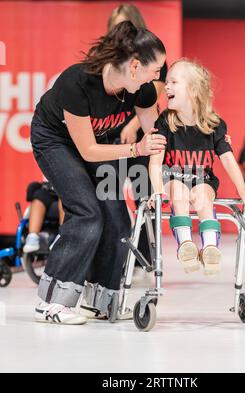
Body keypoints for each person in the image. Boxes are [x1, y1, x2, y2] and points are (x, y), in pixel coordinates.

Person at [31, 21, 166, 325]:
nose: (158, 77)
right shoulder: (76, 83)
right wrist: (135, 150)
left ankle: (101, 302)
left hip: (99, 141)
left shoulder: (142, 91)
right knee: (87, 212)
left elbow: (154, 135)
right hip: (56, 142)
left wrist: (193, 133)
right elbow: (88, 152)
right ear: (134, 66)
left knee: (118, 221)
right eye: (154, 69)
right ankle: (50, 302)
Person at [148, 59, 245, 276]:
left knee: (203, 198)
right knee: (178, 191)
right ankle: (186, 245)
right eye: (166, 82)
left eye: (173, 82)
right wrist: (158, 191)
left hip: (202, 180)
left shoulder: (214, 124)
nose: (166, 86)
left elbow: (227, 160)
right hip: (172, 178)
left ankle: (210, 248)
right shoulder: (164, 122)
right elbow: (155, 162)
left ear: (193, 90)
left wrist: (243, 191)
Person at [106, 4, 168, 272]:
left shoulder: (152, 56)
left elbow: (153, 92)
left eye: (125, 24)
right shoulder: (107, 58)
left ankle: (145, 256)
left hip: (141, 134)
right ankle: (113, 256)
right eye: (116, 25)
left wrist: (133, 125)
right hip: (111, 138)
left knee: (145, 195)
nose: (120, 31)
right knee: (109, 194)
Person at [23, 181, 64, 253]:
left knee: (64, 192)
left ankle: (62, 236)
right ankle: (33, 237)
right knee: (39, 195)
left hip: (67, 190)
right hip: (52, 190)